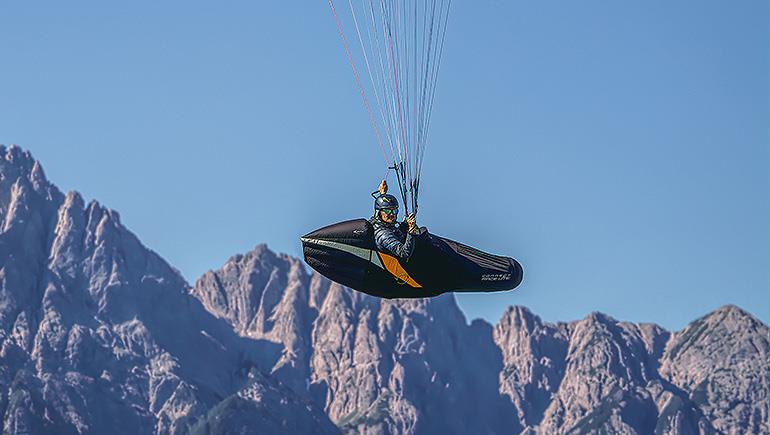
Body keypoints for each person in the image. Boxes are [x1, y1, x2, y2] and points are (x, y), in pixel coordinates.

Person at [371, 180, 419, 259]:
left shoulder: (381, 221)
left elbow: (382, 206)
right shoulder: (383, 235)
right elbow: (404, 253)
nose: (392, 214)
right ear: (378, 213)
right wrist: (411, 232)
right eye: (388, 211)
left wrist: (383, 194)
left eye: (394, 210)